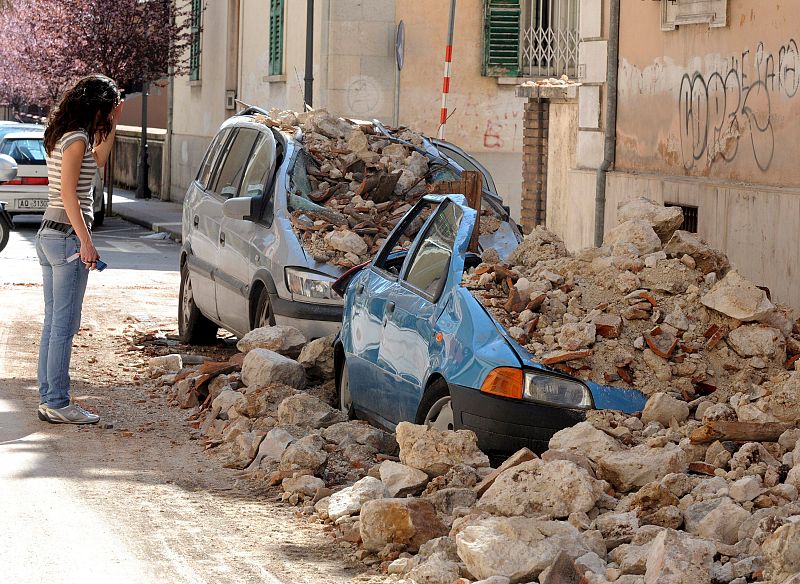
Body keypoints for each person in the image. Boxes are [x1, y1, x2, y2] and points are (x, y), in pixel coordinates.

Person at [36, 74, 123, 424]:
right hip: (65, 237)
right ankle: (57, 402)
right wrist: (86, 240)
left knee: (53, 324)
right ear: (96, 107)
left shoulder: (69, 136)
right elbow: (70, 195)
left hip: (51, 236)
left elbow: (98, 161)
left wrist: (116, 121)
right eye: (107, 110)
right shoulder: (75, 140)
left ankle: (49, 399)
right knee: (64, 326)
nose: (107, 116)